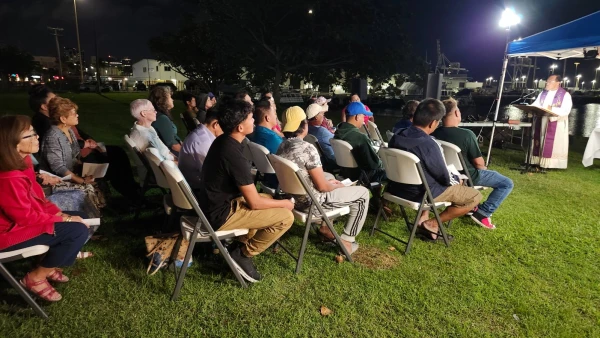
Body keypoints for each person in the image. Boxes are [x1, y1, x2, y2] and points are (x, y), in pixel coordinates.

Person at [197, 99, 294, 282]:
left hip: (214, 206)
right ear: (240, 127)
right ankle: (243, 254)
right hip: (220, 215)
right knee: (285, 217)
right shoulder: (232, 152)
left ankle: (236, 246)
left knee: (267, 197)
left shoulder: (223, 141)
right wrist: (286, 204)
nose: (254, 122)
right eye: (250, 118)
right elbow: (254, 203)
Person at [0, 115, 90, 302]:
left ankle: (48, 264)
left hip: (23, 222)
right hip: (8, 233)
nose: (37, 137)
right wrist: (63, 220)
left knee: (80, 216)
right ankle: (36, 277)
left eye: (35, 132)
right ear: (13, 143)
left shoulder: (23, 162)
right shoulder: (8, 177)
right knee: (76, 230)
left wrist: (57, 213)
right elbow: (25, 218)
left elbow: (37, 198)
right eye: (30, 135)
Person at [388, 99, 482, 240]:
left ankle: (426, 219)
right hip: (421, 193)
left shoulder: (397, 136)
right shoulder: (429, 144)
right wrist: (457, 179)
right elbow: (443, 177)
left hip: (397, 188)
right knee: (475, 196)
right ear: (433, 123)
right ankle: (431, 223)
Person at [277, 112, 370, 255]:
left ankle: (325, 227)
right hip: (313, 204)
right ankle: (347, 241)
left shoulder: (282, 146)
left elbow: (307, 176)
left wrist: (328, 182)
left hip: (294, 199)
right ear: (304, 125)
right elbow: (322, 187)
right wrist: (336, 186)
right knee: (363, 194)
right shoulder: (307, 148)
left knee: (329, 175)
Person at [433, 98, 513, 229]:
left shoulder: (435, 132)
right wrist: (484, 168)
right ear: (457, 113)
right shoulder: (467, 135)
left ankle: (473, 207)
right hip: (468, 175)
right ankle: (483, 212)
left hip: (446, 173)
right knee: (506, 183)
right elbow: (479, 164)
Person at [39, 97, 106, 216]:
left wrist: (84, 171)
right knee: (87, 188)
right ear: (63, 118)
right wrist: (80, 180)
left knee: (97, 179)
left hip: (69, 174)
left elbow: (74, 155)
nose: (77, 115)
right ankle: (85, 223)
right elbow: (58, 167)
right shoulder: (53, 136)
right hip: (56, 180)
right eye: (73, 113)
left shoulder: (68, 130)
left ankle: (91, 221)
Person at [334, 102, 386, 185]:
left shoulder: (338, 133)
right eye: (363, 116)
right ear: (357, 117)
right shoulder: (360, 137)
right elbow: (375, 164)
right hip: (362, 176)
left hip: (345, 173)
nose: (364, 120)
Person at [530, 74, 573, 169]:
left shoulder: (565, 95)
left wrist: (551, 108)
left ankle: (550, 164)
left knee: (551, 144)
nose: (547, 83)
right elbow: (536, 104)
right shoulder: (543, 93)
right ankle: (536, 160)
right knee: (539, 141)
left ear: (558, 83)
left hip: (555, 123)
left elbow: (566, 110)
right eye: (547, 81)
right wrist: (530, 108)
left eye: (550, 81)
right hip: (542, 120)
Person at [179, 108, 223, 190]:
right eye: (224, 126)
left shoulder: (201, 134)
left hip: (194, 183)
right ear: (216, 124)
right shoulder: (202, 142)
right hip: (197, 188)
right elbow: (211, 174)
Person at [149, 86, 182, 156]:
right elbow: (173, 145)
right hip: (172, 155)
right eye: (170, 97)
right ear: (163, 100)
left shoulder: (160, 115)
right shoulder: (162, 119)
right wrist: (190, 152)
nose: (173, 100)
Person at [306, 103, 337, 171]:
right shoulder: (321, 131)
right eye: (322, 114)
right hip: (332, 159)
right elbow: (338, 140)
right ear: (316, 117)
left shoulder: (308, 128)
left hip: (321, 159)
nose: (323, 116)